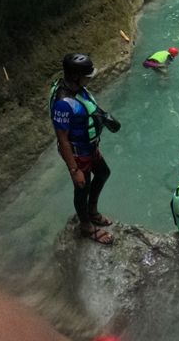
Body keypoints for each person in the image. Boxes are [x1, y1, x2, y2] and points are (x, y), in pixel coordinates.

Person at [49, 52, 120, 244]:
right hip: (77, 153)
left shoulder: (76, 89)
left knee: (104, 173)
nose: (90, 79)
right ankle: (86, 226)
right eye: (87, 76)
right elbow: (62, 139)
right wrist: (74, 170)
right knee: (82, 187)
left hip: (89, 147)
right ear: (75, 77)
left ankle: (92, 210)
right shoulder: (63, 103)